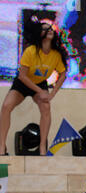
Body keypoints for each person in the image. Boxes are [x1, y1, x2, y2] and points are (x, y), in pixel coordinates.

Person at [0, 18, 67, 155]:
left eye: (50, 29)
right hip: (23, 83)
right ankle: (1, 146)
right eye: (44, 29)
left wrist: (52, 93)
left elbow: (63, 74)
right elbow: (22, 76)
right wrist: (39, 91)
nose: (49, 31)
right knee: (6, 106)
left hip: (40, 83)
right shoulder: (30, 51)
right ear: (39, 34)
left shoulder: (56, 54)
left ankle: (42, 147)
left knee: (46, 107)